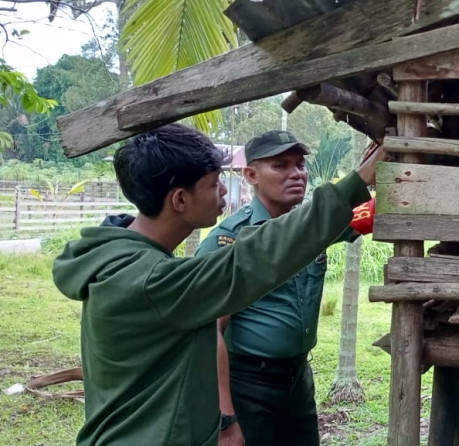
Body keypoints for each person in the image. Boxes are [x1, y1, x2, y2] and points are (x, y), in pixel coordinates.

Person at [51, 123, 383, 446]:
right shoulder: (155, 283)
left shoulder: (126, 261)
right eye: (213, 184)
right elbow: (254, 258)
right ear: (180, 200)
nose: (224, 191)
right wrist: (358, 181)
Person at [195, 130, 371, 446]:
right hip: (248, 383)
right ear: (251, 175)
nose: (297, 174)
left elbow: (366, 217)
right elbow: (209, 332)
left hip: (297, 379)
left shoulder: (311, 226)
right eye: (280, 165)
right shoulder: (230, 240)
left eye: (300, 164)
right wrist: (225, 419)